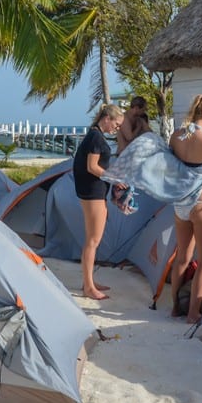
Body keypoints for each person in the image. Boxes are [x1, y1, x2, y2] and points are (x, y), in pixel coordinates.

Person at [168, 95, 202, 323]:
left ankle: (174, 308)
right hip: (201, 203)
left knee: (182, 257)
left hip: (180, 202)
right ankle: (193, 313)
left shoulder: (176, 136)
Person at [73, 103, 124, 300]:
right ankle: (88, 287)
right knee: (92, 241)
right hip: (92, 192)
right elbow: (92, 166)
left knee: (93, 239)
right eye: (116, 124)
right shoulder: (95, 136)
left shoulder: (94, 135)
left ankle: (89, 282)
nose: (117, 128)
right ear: (106, 118)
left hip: (93, 192)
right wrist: (114, 179)